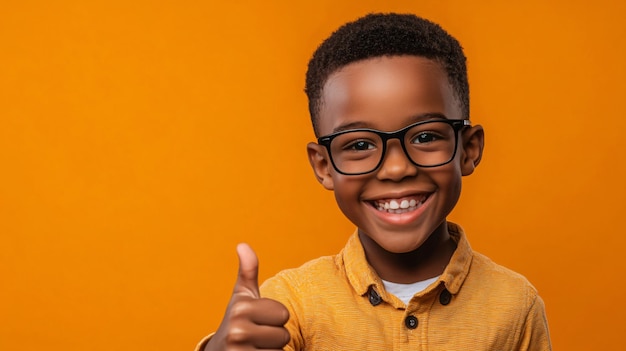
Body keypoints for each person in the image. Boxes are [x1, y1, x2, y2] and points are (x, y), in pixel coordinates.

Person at [196, 13, 551, 351]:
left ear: (468, 149)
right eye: (360, 145)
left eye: (425, 137)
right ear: (323, 166)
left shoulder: (515, 306)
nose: (396, 169)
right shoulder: (291, 304)